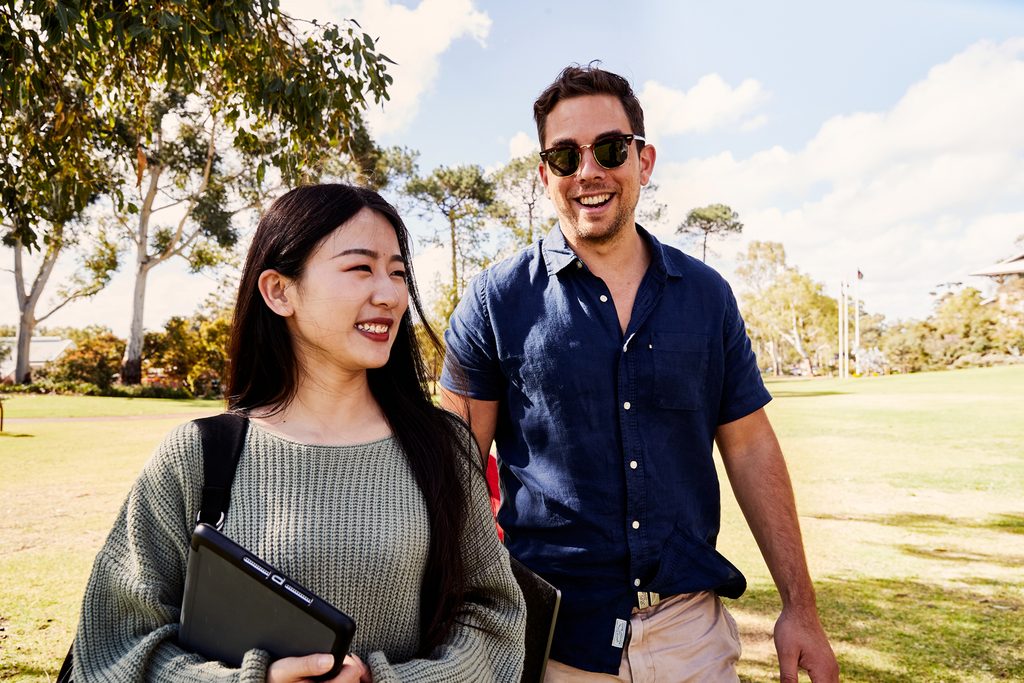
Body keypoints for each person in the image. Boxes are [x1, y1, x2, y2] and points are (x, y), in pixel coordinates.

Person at [441, 65, 839, 682]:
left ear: (643, 160)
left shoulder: (707, 296)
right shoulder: (496, 300)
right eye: (565, 157)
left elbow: (752, 446)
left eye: (608, 149)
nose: (589, 172)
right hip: (554, 645)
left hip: (692, 638)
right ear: (544, 174)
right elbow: (455, 470)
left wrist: (801, 608)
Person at [71, 184, 526, 682]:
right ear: (279, 291)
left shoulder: (444, 446)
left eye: (398, 272)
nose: (391, 294)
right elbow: (116, 643)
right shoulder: (196, 456)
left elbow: (494, 618)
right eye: (361, 268)